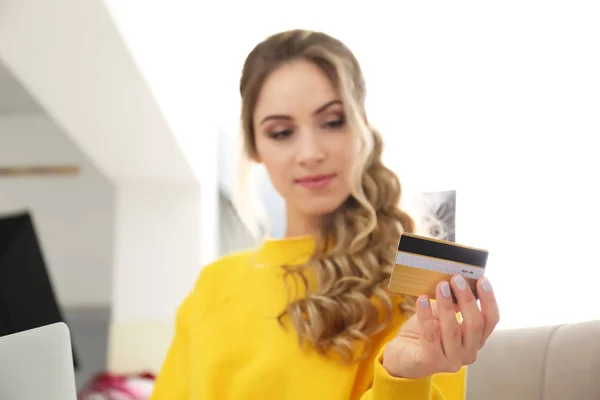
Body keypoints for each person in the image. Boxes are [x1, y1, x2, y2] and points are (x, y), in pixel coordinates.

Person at [150, 29, 500, 400]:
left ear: (361, 125)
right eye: (282, 132)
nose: (310, 153)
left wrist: (400, 376)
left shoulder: (417, 283)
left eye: (332, 122)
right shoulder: (213, 286)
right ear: (254, 146)